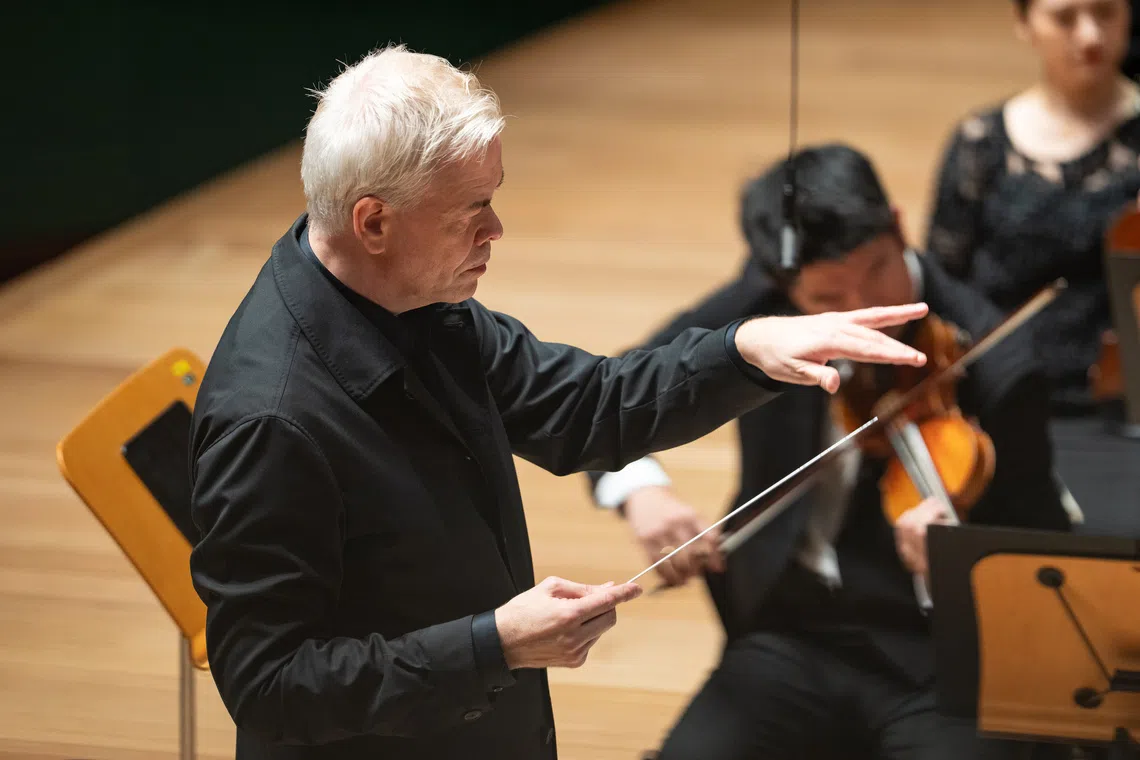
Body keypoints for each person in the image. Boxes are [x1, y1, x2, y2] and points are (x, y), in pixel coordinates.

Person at [187, 47, 931, 760]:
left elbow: (587, 410)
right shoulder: (272, 421)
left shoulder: (411, 301)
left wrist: (742, 350)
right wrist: (494, 644)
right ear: (374, 222)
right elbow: (270, 685)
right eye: (471, 210)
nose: (496, 230)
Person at [586, 144, 1073, 760]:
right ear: (782, 285)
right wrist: (641, 489)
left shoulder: (999, 362)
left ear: (898, 226)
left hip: (942, 653)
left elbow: (1044, 548)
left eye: (877, 272)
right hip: (794, 629)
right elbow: (615, 399)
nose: (860, 316)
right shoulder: (764, 314)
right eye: (826, 300)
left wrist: (964, 553)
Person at [924, 0, 1140, 535]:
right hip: (999, 403)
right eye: (1065, 17)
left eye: (1106, 12)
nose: (1089, 34)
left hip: (1119, 417)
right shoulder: (981, 144)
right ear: (1024, 24)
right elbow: (942, 284)